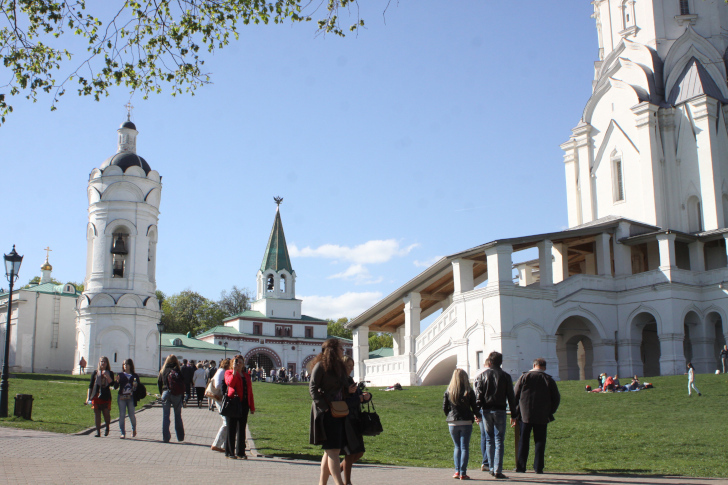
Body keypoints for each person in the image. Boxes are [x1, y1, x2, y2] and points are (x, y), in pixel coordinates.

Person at [310, 338, 353, 485]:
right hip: (326, 413)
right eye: (341, 348)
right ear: (333, 350)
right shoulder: (321, 366)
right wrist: (325, 407)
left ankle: (322, 483)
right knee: (333, 450)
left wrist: (349, 390)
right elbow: (312, 388)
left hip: (339, 411)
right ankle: (339, 483)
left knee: (329, 451)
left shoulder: (339, 367)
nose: (343, 351)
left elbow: (342, 387)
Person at [512, 358, 560, 475]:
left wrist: (515, 412)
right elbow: (556, 398)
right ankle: (538, 467)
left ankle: (521, 466)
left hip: (525, 415)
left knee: (523, 440)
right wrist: (550, 411)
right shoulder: (548, 379)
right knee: (540, 441)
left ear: (534, 365)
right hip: (542, 415)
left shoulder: (524, 377)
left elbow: (515, 395)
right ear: (544, 367)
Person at [475, 352, 515, 479]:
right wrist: (514, 414)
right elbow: (511, 397)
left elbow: (479, 396)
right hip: (500, 410)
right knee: (499, 440)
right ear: (501, 362)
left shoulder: (482, 376)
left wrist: (477, 412)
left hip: (486, 410)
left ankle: (491, 467)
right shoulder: (506, 376)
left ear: (490, 362)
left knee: (489, 439)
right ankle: (497, 469)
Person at [444, 368, 480, 481]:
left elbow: (445, 407)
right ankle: (463, 473)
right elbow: (474, 407)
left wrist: (449, 416)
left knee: (457, 446)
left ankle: (457, 470)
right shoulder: (468, 391)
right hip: (466, 421)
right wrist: (477, 415)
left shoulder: (449, 391)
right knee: (464, 447)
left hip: (453, 421)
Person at [341, 356, 372, 485]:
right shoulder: (341, 381)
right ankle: (347, 482)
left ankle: (336, 469)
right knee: (351, 452)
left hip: (355, 419)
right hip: (346, 420)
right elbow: (343, 401)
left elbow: (357, 395)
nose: (351, 368)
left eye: (352, 366)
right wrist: (357, 398)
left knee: (359, 452)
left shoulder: (349, 379)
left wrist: (367, 396)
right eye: (348, 366)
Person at [224, 355, 255, 459]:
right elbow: (230, 384)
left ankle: (241, 452)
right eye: (236, 362)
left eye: (240, 362)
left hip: (244, 404)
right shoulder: (228, 373)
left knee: (242, 429)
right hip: (233, 403)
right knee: (231, 428)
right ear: (233, 363)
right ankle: (229, 452)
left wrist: (252, 406)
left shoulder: (246, 376)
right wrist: (234, 372)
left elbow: (250, 391)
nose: (238, 364)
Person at [158, 354, 185, 443]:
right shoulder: (177, 370)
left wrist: (161, 393)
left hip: (165, 393)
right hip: (176, 394)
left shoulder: (163, 370)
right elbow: (182, 384)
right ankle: (180, 437)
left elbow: (159, 383)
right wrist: (182, 397)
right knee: (177, 415)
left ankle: (166, 437)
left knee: (166, 416)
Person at [85, 356, 114, 437]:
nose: (103, 363)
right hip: (96, 396)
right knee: (97, 414)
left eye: (104, 362)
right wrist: (88, 398)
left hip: (105, 395)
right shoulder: (95, 373)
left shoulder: (110, 373)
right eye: (101, 361)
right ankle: (98, 432)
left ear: (107, 363)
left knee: (106, 413)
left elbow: (112, 384)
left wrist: (107, 376)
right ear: (99, 363)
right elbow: (90, 386)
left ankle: (107, 427)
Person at [473, 357, 492, 474]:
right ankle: (488, 461)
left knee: (484, 436)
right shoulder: (492, 374)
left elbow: (476, 394)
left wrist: (476, 410)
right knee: (493, 436)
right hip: (490, 407)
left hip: (481, 408)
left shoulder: (477, 375)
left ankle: (486, 462)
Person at [114, 358, 139, 439]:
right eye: (124, 364)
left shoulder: (134, 376)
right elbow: (115, 387)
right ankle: (122, 432)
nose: (125, 366)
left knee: (131, 414)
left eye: (127, 364)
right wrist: (117, 382)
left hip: (130, 397)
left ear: (130, 365)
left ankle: (134, 429)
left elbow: (137, 387)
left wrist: (135, 386)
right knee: (122, 415)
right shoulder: (120, 375)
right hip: (122, 397)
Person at [211, 358, 231, 453]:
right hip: (219, 398)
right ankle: (217, 444)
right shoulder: (222, 372)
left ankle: (224, 445)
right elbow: (218, 385)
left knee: (227, 421)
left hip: (219, 398)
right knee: (226, 422)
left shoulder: (220, 371)